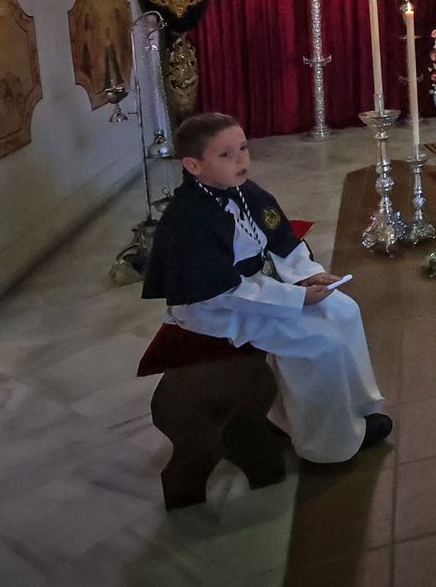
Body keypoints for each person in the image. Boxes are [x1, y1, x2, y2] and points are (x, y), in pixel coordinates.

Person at [143, 112, 390, 463]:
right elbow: (219, 291)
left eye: (243, 148)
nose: (241, 159)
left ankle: (355, 408)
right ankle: (327, 443)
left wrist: (306, 275)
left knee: (345, 311)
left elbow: (279, 241)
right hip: (216, 307)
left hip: (257, 287)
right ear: (193, 165)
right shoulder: (189, 220)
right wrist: (295, 297)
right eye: (225, 155)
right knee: (320, 344)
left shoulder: (243, 191)